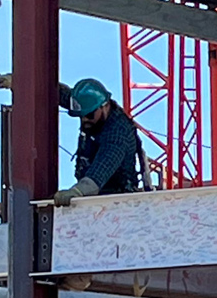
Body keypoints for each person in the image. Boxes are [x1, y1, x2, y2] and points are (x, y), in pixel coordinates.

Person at [54, 78, 147, 206]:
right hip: (97, 196)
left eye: (89, 115)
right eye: (81, 116)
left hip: (116, 201)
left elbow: (100, 172)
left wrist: (76, 191)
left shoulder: (118, 133)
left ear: (104, 106)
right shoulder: (91, 108)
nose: (84, 120)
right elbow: (62, 94)